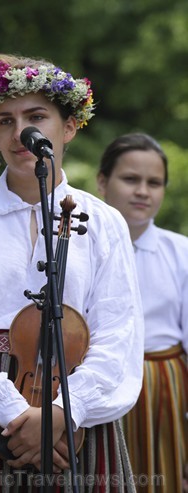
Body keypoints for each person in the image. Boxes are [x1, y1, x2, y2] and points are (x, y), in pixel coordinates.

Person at [0, 54, 144, 491]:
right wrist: (10, 411)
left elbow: (119, 330)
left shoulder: (105, 221)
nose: (20, 133)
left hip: (74, 401)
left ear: (69, 127)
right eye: (5, 121)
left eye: (36, 117)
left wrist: (62, 412)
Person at [96, 133, 187, 492]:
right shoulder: (77, 247)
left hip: (162, 390)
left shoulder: (180, 253)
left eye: (155, 183)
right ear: (103, 182)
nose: (143, 192)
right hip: (96, 386)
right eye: (130, 179)